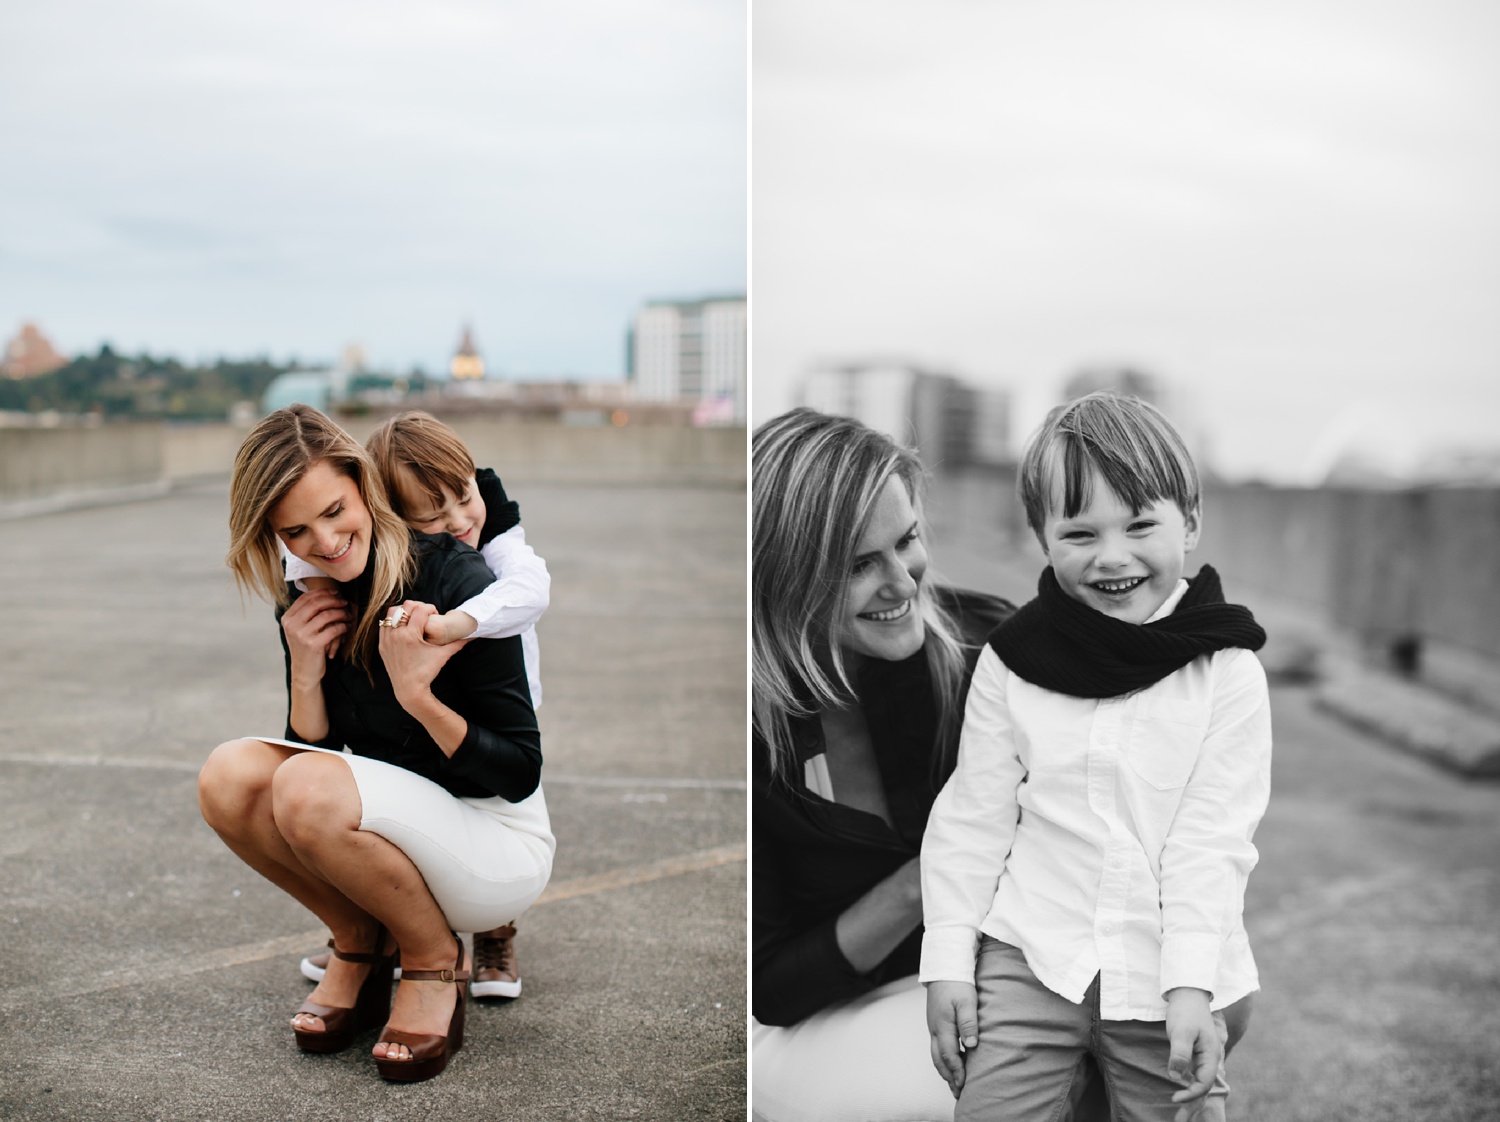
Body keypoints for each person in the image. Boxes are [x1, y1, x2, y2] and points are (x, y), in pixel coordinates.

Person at [751, 407, 1109, 1122]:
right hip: (820, 1016)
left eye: (907, 540)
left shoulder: (994, 648)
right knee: (967, 1084)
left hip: (994, 972)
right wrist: (932, 877)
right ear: (785, 581)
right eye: (858, 565)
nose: (902, 582)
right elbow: (774, 987)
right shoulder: (756, 727)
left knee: (1177, 1015)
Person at [921, 392, 1271, 1122]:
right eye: (1079, 533)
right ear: (1039, 538)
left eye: (1142, 524)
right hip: (1032, 952)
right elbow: (973, 816)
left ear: (1192, 521)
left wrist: (1189, 988)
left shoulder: (1227, 669)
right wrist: (948, 961)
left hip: (1167, 968)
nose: (1114, 557)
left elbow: (1211, 839)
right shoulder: (1015, 660)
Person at [198, 404, 554, 1082]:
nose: (325, 541)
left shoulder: (456, 581)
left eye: (335, 510)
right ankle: (360, 943)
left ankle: (430, 959)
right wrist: (306, 670)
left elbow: (518, 773)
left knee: (304, 786)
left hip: (493, 842)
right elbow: (311, 753)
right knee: (230, 776)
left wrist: (419, 694)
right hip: (401, 843)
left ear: (363, 483)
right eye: (295, 530)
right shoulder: (307, 590)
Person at [285, 410, 549, 1001]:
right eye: (431, 515)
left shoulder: (482, 552)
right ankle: (371, 928)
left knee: (484, 783)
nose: (457, 522)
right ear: (394, 517)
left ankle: (494, 931)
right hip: (423, 723)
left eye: (463, 498)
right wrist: (311, 630)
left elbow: (530, 587)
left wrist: (457, 626)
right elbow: (304, 551)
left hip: (508, 693)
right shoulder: (335, 582)